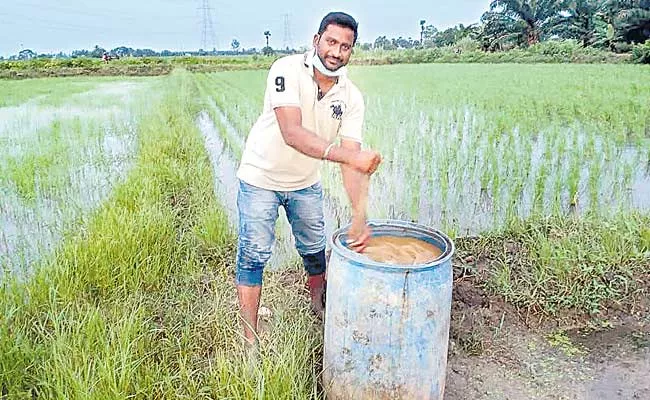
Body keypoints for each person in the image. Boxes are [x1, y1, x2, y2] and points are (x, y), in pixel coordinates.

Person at [235, 11, 382, 345]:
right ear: (316, 41)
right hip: (261, 177)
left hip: (304, 183)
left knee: (315, 250)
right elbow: (292, 133)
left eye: (345, 46)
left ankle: (317, 304)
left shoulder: (351, 97)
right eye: (331, 41)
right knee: (254, 255)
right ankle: (250, 340)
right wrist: (353, 157)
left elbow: (351, 161)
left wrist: (360, 215)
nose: (336, 51)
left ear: (351, 52)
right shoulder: (286, 70)